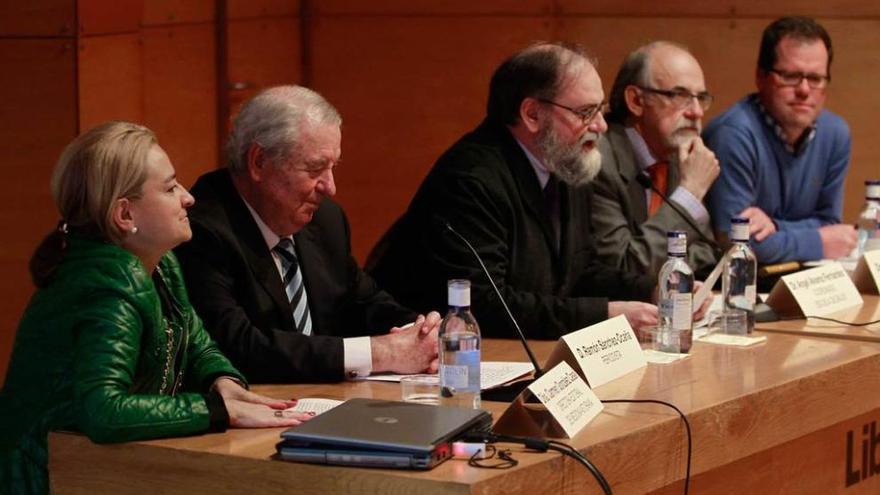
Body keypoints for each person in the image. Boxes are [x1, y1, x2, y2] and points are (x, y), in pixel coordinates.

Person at [0, 122, 310, 495]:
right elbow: (105, 411)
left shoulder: (160, 264)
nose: (188, 198)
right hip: (49, 477)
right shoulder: (107, 287)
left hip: (99, 468)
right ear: (124, 216)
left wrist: (222, 383)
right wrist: (216, 410)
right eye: (170, 187)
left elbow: (199, 345)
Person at [367, 42, 659, 340]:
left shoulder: (564, 162)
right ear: (532, 114)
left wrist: (651, 289)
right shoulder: (470, 181)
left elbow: (578, 273)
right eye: (585, 112)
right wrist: (602, 316)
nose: (600, 125)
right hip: (433, 363)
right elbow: (485, 307)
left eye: (600, 110)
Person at [174, 86, 439, 384]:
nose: (330, 187)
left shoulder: (325, 220)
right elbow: (239, 348)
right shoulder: (202, 232)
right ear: (259, 162)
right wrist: (379, 353)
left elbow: (362, 301)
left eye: (332, 167)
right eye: (315, 169)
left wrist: (420, 332)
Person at [705, 16, 856, 263]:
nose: (805, 90)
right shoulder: (732, 134)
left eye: (816, 78)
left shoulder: (835, 133)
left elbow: (829, 223)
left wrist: (775, 226)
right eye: (790, 76)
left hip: (807, 283)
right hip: (738, 287)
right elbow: (738, 245)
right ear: (761, 77)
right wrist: (817, 241)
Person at [593, 41, 719, 275]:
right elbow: (623, 268)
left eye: (700, 98)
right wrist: (689, 192)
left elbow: (707, 250)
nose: (697, 112)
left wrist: (669, 267)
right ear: (636, 101)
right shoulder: (597, 162)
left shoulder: (678, 153)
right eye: (679, 95)